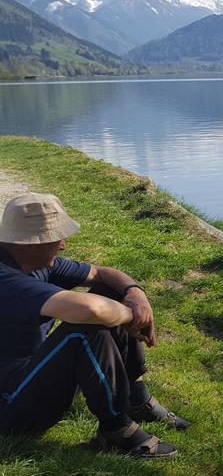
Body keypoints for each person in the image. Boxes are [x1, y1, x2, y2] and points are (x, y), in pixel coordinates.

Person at [0, 192, 188, 459]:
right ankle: (116, 431)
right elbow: (88, 310)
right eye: (57, 238)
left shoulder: (33, 262)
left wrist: (136, 295)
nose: (63, 245)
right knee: (85, 330)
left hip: (30, 376)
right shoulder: (5, 278)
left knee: (109, 293)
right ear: (31, 243)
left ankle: (136, 398)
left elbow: (102, 273)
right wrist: (133, 317)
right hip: (10, 405)